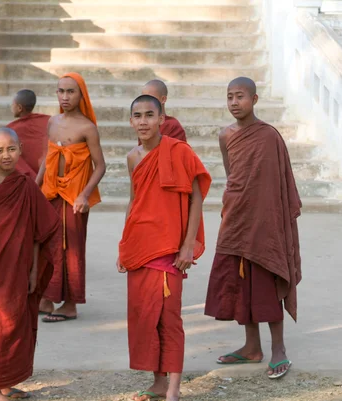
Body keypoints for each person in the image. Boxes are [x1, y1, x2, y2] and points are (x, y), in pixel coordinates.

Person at [204, 77, 302, 379]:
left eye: (241, 97)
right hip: (236, 216)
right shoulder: (225, 135)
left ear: (254, 100)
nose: (235, 102)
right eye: (230, 96)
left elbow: (278, 181)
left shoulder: (269, 136)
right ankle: (251, 347)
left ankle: (278, 349)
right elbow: (233, 175)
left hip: (264, 220)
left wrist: (267, 214)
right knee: (239, 281)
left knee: (267, 278)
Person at [117, 95, 211, 401]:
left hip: (170, 248)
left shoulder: (179, 151)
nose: (143, 121)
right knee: (145, 316)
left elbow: (197, 197)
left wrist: (187, 246)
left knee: (169, 318)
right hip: (140, 246)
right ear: (130, 121)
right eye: (137, 116)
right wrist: (124, 244)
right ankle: (157, 382)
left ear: (161, 118)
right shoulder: (133, 157)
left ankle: (173, 388)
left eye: (149, 115)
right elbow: (134, 201)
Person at [0, 127, 60, 401]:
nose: (6, 155)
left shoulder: (26, 185)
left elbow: (36, 232)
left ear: (20, 148)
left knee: (16, 321)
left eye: (11, 149)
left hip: (20, 264)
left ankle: (6, 384)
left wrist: (35, 269)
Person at [36, 72, 106, 322]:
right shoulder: (52, 122)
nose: (64, 97)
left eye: (70, 91)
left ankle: (70, 304)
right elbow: (47, 158)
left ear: (81, 95)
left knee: (71, 249)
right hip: (50, 192)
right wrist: (36, 187)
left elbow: (100, 166)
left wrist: (84, 195)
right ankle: (45, 298)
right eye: (60, 91)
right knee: (47, 246)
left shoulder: (87, 128)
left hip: (74, 196)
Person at [7, 89, 50, 175]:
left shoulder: (11, 130)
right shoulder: (46, 120)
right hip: (45, 171)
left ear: (19, 108)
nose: (11, 106)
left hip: (29, 176)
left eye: (13, 104)